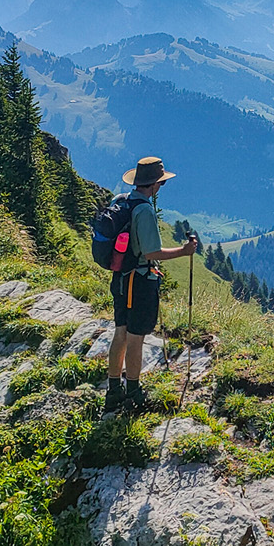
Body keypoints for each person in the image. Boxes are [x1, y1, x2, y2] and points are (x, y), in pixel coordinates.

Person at [105, 156, 198, 415]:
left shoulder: (121, 201)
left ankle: (114, 390)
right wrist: (184, 250)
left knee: (120, 332)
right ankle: (133, 392)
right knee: (136, 337)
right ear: (155, 184)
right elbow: (151, 252)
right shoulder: (144, 210)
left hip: (121, 279)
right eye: (161, 183)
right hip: (140, 282)